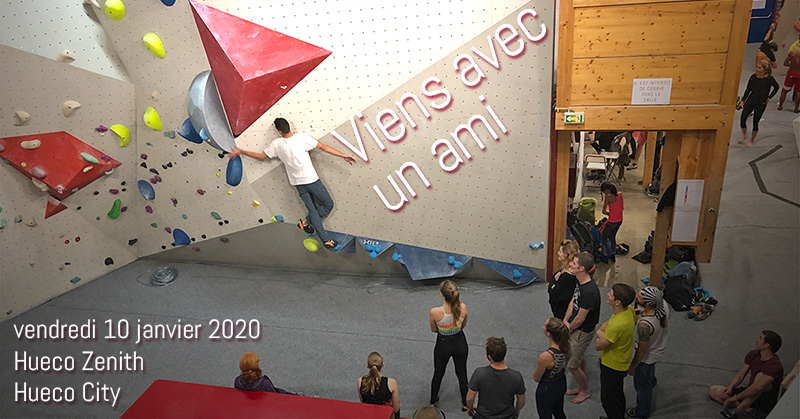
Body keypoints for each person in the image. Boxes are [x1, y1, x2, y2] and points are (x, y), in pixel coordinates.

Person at [230, 118, 356, 250]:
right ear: (289, 127)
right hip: (311, 180)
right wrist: (343, 155)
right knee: (328, 204)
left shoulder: (277, 144)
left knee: (312, 209)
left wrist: (242, 151)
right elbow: (324, 147)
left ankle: (306, 223)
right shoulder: (302, 138)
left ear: (279, 131)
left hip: (297, 183)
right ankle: (324, 239)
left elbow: (261, 157)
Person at [708, 331, 784, 419]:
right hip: (750, 393)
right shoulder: (754, 354)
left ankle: (738, 410)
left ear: (766, 345)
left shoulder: (775, 366)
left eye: (760, 338)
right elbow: (741, 375)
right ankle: (749, 410)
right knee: (713, 390)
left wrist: (735, 398)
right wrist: (730, 387)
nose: (757, 340)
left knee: (759, 378)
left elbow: (758, 387)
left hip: (764, 400)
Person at [562, 252, 601, 404]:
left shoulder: (590, 291)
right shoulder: (580, 281)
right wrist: (565, 319)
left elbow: (580, 318)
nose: (570, 264)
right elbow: (574, 300)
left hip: (583, 332)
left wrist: (568, 329)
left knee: (572, 365)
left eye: (574, 263)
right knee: (579, 357)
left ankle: (584, 391)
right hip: (575, 328)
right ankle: (580, 385)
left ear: (582, 268)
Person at [626, 287, 670, 418]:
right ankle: (652, 380)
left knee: (642, 387)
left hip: (647, 358)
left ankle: (642, 412)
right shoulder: (663, 305)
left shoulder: (644, 325)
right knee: (650, 373)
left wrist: (633, 366)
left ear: (649, 303)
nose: (636, 297)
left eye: (639, 297)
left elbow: (642, 350)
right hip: (659, 347)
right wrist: (644, 311)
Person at [595, 283, 636, 419]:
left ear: (617, 302)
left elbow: (599, 345)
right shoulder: (628, 309)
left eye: (611, 294)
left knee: (608, 400)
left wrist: (599, 331)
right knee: (618, 393)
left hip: (612, 365)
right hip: (622, 361)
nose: (607, 294)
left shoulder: (618, 325)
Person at [429, 279, 469, 410]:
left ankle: (433, 400)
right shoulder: (462, 307)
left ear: (442, 294)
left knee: (438, 374)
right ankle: (465, 403)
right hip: (459, 343)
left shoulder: (435, 312)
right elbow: (464, 325)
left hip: (443, 344)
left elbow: (434, 330)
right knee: (462, 374)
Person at [466, 337, 526, 419]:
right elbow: (521, 400)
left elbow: (470, 398)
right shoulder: (516, 376)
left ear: (489, 357)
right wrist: (516, 410)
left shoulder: (480, 374)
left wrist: (470, 407)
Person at [533, 318, 571, 419]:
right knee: (559, 411)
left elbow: (536, 378)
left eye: (544, 325)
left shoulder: (546, 356)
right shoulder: (567, 345)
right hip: (561, 382)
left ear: (548, 333)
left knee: (545, 415)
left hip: (547, 389)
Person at [737, 61, 779, 147]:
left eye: (759, 68)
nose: (757, 69)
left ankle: (752, 140)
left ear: (765, 70)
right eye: (757, 67)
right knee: (743, 118)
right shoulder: (753, 77)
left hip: (761, 102)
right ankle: (744, 135)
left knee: (755, 121)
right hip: (751, 100)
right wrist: (743, 100)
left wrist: (769, 97)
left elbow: (776, 87)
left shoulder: (769, 79)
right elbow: (748, 90)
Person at [357, 352, 400, 419]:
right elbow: (396, 409)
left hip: (368, 416)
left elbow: (363, 403)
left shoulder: (361, 381)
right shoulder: (392, 383)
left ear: (368, 365)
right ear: (382, 365)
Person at [548, 239, 580, 319]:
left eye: (560, 252)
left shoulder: (566, 277)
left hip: (561, 312)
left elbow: (552, 292)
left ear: (566, 255)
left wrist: (553, 284)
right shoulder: (568, 270)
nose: (558, 253)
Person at [600, 182, 623, 263]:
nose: (604, 193)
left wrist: (609, 214)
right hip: (619, 220)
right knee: (612, 237)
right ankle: (613, 254)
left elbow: (603, 211)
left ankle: (605, 256)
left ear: (607, 190)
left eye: (604, 191)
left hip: (611, 221)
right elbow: (621, 208)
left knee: (604, 238)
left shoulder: (608, 197)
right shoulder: (620, 194)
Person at [777, 47, 800, 113]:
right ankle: (796, 109)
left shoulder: (792, 52)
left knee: (784, 90)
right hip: (799, 74)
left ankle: (780, 106)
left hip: (791, 73)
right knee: (798, 92)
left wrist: (792, 65)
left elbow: (785, 63)